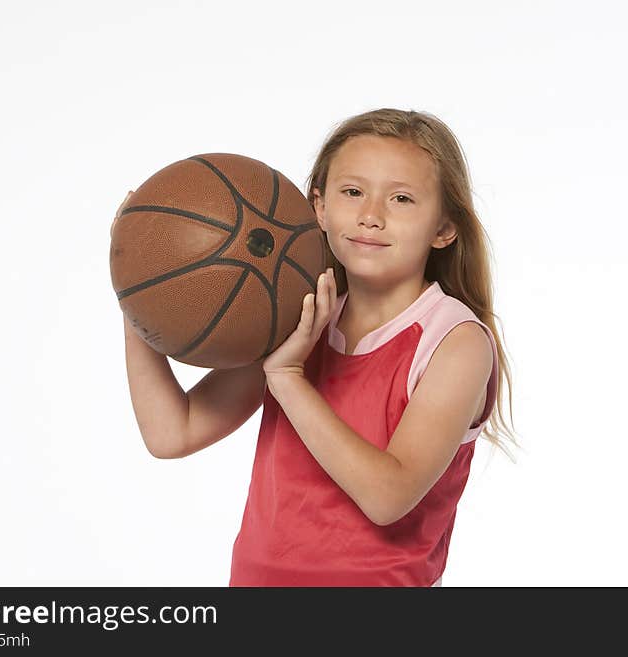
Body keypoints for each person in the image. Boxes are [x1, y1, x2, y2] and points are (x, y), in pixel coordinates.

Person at [115, 108, 518, 587]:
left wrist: (288, 379)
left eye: (402, 198)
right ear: (319, 208)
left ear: (444, 229)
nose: (371, 215)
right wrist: (139, 285)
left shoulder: (455, 342)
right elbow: (171, 432)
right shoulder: (293, 316)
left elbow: (388, 496)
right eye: (352, 192)